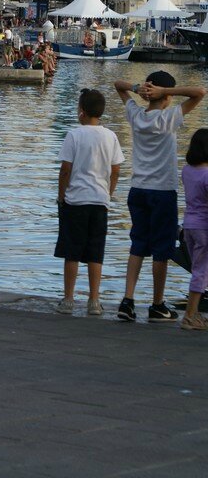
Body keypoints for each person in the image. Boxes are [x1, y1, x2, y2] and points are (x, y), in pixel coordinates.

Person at [114, 72, 206, 323]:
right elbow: (199, 92)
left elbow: (118, 85)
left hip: (138, 189)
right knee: (161, 250)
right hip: (163, 191)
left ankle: (128, 300)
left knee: (137, 244)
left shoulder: (135, 115)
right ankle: (157, 304)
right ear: (165, 96)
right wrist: (167, 92)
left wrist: (137, 87)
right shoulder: (169, 117)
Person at [55, 89, 124, 315]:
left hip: (75, 201)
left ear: (81, 112)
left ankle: (68, 299)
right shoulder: (111, 136)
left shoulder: (74, 135)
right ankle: (94, 300)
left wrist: (61, 195)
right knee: (96, 251)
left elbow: (65, 170)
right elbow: (115, 171)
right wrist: (109, 193)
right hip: (100, 200)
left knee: (72, 252)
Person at [180, 129, 208, 331]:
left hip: (189, 226)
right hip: (204, 228)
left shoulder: (187, 170)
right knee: (201, 271)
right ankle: (189, 316)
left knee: (199, 269)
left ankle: (195, 313)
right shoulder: (207, 175)